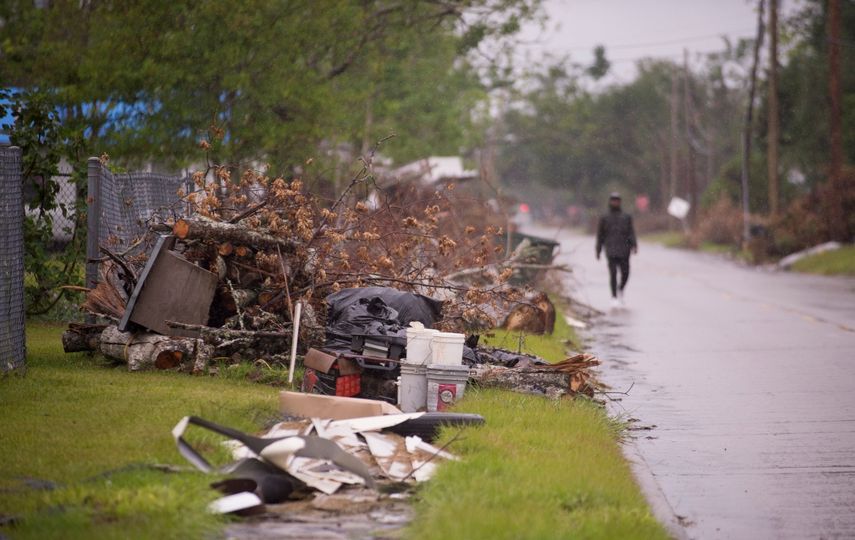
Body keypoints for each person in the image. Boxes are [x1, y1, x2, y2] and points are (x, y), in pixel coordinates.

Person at [595, 192, 637, 307]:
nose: (615, 202)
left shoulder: (626, 217)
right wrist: (598, 250)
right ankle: (613, 296)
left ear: (620, 202)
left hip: (624, 249)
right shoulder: (604, 217)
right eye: (613, 200)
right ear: (610, 202)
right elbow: (600, 235)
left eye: (617, 200)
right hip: (611, 249)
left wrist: (634, 245)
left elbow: (631, 232)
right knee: (613, 273)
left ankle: (620, 289)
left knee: (625, 273)